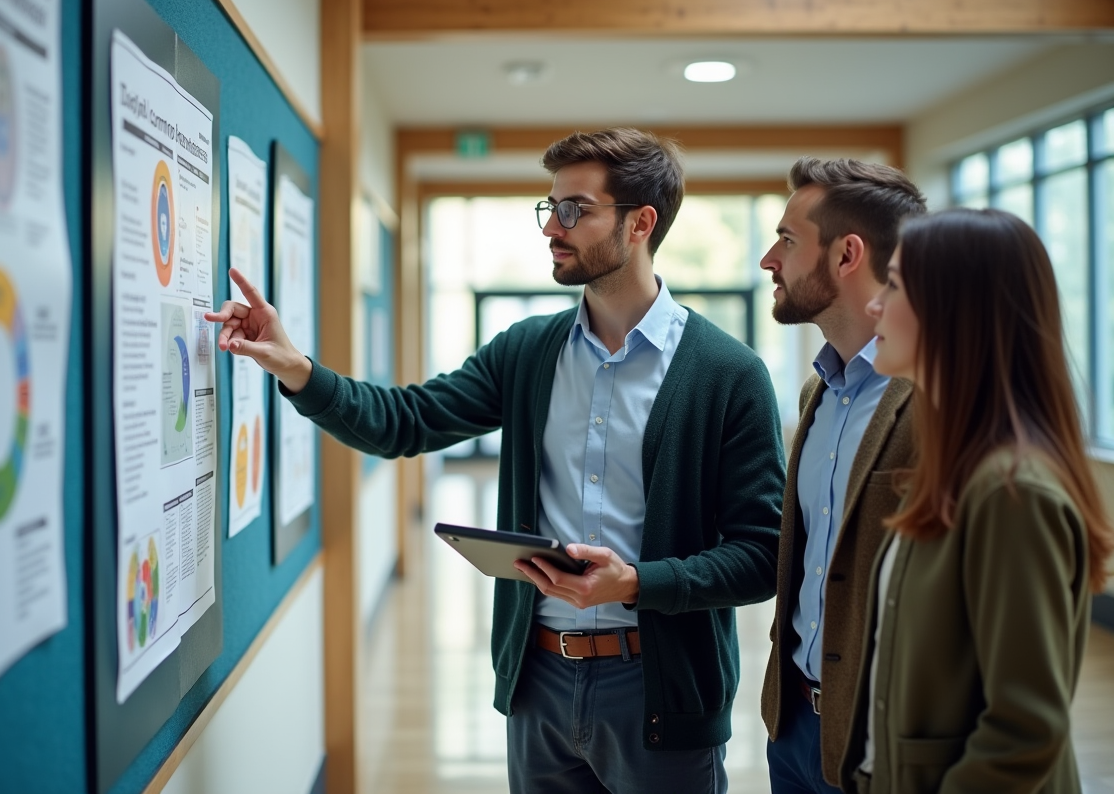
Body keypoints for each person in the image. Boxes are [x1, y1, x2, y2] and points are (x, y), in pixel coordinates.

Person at [206, 127, 786, 793]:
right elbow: (407, 421)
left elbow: (761, 554)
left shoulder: (729, 374)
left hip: (661, 693)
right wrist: (300, 369)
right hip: (536, 683)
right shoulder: (528, 352)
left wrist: (635, 583)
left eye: (575, 210)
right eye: (551, 208)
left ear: (640, 224)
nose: (553, 228)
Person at [839, 208, 1114, 794]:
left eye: (893, 285)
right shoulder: (956, 471)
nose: (873, 305)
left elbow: (1023, 732)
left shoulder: (1012, 494)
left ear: (954, 311)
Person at [758, 157, 927, 793]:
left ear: (847, 254)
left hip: (884, 745)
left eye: (788, 239)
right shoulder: (816, 394)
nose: (769, 259)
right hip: (795, 724)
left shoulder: (936, 402)